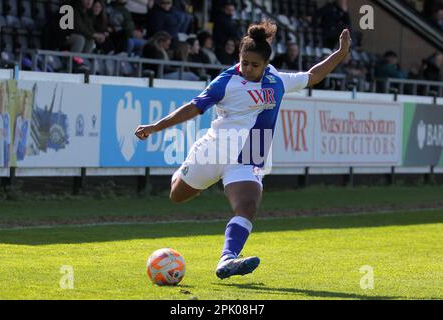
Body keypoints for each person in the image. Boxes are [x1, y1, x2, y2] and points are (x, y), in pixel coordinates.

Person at [134, 20, 351, 279]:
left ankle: (227, 259)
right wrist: (156, 126)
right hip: (214, 149)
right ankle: (182, 172)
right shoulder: (226, 81)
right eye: (243, 62)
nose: (247, 68)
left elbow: (313, 75)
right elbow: (194, 107)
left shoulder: (277, 80)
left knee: (248, 205)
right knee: (177, 195)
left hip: (251, 154)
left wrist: (340, 54)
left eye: (254, 65)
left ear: (265, 64)